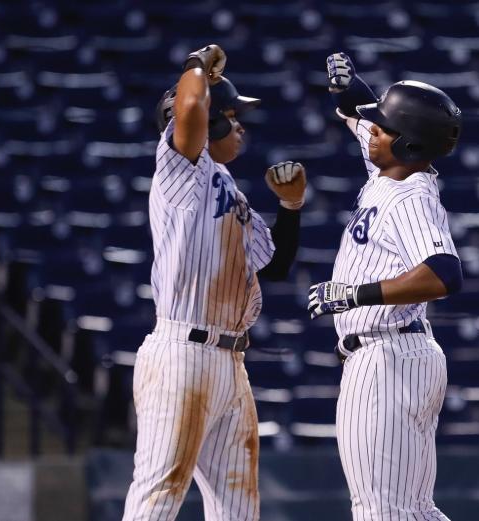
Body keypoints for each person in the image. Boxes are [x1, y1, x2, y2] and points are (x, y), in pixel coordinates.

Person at [122, 44, 307, 521]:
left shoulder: (226, 184)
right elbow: (186, 108)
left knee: (238, 508)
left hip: (229, 360)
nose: (241, 124)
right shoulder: (180, 168)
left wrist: (290, 208)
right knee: (159, 496)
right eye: (229, 113)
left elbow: (276, 266)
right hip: (182, 353)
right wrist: (195, 65)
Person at [307, 52, 463, 521]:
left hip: (385, 360)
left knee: (381, 510)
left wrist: (356, 294)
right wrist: (349, 88)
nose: (370, 130)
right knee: (411, 510)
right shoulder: (390, 168)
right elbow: (362, 111)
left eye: (381, 128)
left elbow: (443, 274)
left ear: (409, 144)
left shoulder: (411, 196)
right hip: (399, 355)